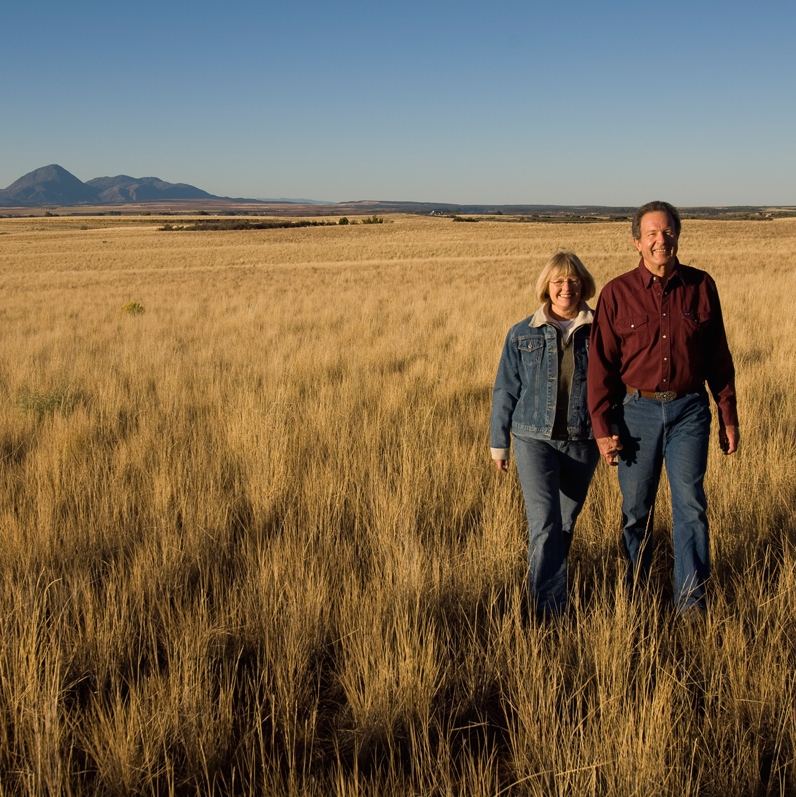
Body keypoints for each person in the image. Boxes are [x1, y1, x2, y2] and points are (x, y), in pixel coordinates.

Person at [588, 200, 739, 612]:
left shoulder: (701, 285)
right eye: (652, 234)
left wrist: (728, 414)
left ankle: (691, 603)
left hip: (690, 410)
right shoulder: (617, 293)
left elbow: (718, 357)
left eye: (668, 232)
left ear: (678, 235)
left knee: (690, 506)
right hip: (636, 414)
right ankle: (636, 596)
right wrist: (603, 428)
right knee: (637, 510)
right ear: (636, 241)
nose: (661, 240)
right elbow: (601, 367)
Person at [491, 252, 600, 616]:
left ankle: (545, 582)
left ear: (582, 284)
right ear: (546, 287)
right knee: (545, 522)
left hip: (583, 440)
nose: (565, 288)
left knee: (565, 524)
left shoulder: (602, 329)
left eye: (572, 281)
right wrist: (498, 442)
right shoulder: (523, 333)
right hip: (532, 439)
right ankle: (548, 612)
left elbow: (615, 386)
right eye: (558, 281)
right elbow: (506, 388)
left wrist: (613, 430)